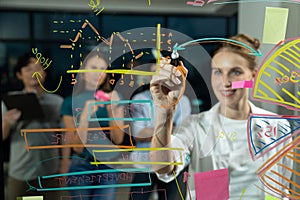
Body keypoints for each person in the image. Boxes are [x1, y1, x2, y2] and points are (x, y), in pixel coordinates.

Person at [149, 34, 293, 199]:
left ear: (253, 76)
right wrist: (165, 110)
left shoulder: (278, 126)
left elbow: (282, 190)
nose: (225, 82)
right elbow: (163, 167)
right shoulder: (196, 126)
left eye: (235, 72)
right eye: (218, 72)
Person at [60, 51, 125, 200]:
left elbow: (118, 139)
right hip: (81, 164)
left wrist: (111, 111)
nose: (98, 73)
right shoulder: (69, 102)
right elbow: (76, 147)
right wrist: (85, 117)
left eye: (102, 69)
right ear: (82, 72)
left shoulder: (115, 98)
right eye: (93, 67)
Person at [1, 52, 63, 200]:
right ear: (19, 75)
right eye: (28, 69)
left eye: (38, 68)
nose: (33, 72)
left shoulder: (57, 102)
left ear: (45, 73)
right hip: (21, 174)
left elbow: (66, 136)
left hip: (50, 173)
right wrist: (7, 123)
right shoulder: (10, 102)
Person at [129, 63, 191, 199]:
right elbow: (138, 134)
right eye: (153, 73)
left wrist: (151, 131)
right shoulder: (139, 99)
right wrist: (168, 129)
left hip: (173, 163)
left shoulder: (183, 101)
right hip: (144, 165)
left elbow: (181, 135)